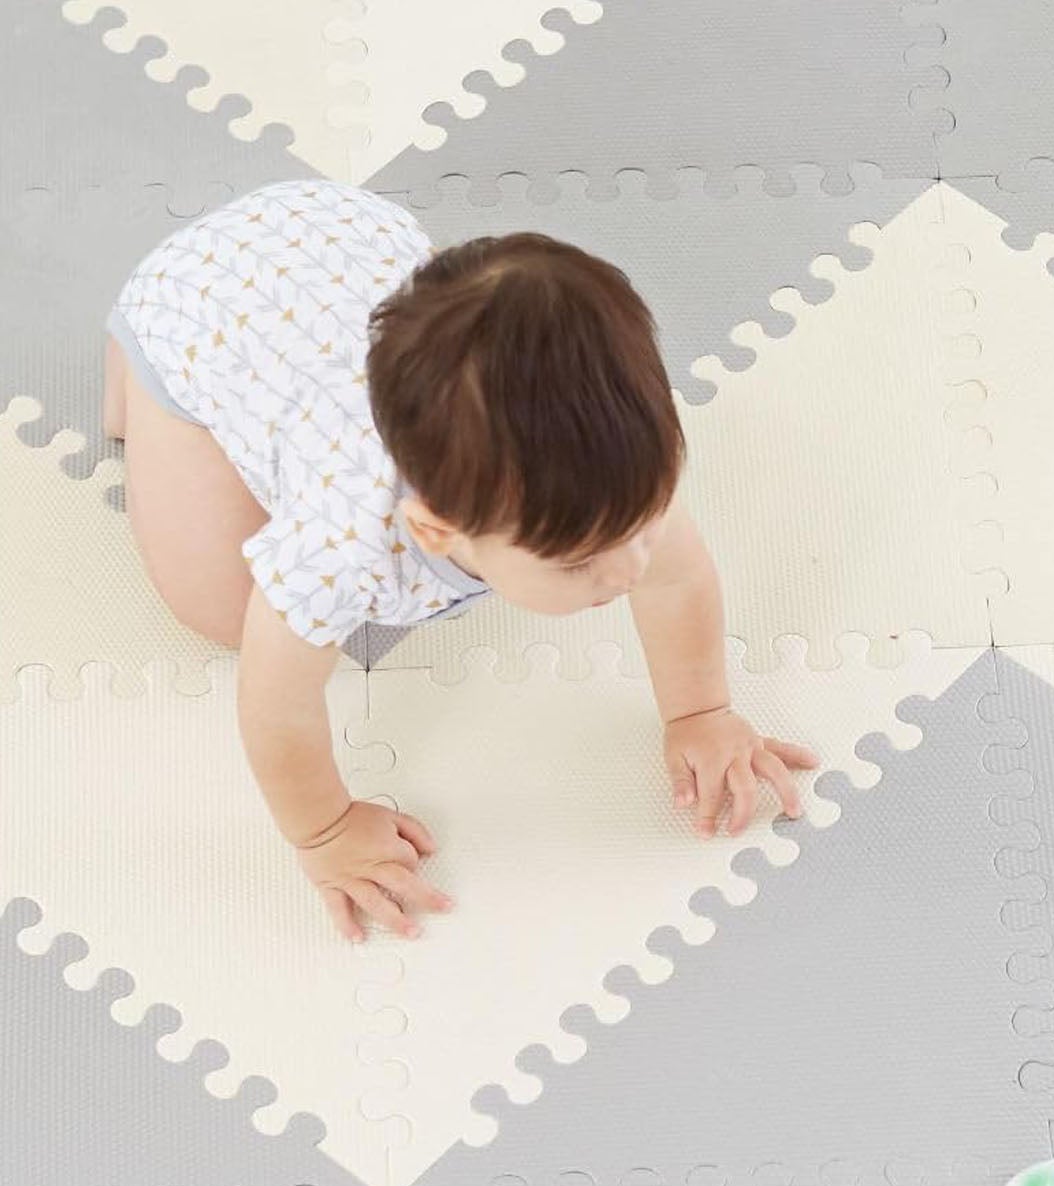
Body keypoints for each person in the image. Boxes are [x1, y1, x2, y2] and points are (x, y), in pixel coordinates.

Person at [104, 179, 816, 942]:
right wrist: (325, 830)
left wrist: (700, 713)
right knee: (224, 612)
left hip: (337, 235)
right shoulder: (342, 542)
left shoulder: (622, 475)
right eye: (578, 564)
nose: (628, 571)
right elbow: (276, 705)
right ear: (436, 531)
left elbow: (678, 580)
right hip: (196, 315)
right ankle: (133, 369)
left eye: (643, 529)